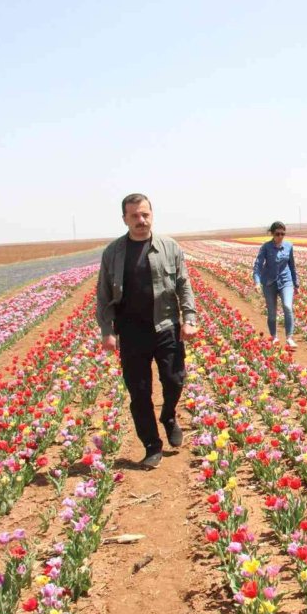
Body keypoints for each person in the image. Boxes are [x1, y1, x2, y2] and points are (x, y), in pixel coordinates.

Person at [96, 193, 198, 468]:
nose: (141, 220)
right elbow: (104, 295)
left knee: (175, 379)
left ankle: (168, 415)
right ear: (125, 219)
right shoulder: (114, 253)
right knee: (139, 392)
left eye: (145, 214)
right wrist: (107, 331)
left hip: (166, 326)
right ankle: (152, 445)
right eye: (134, 216)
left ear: (151, 214)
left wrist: (189, 317)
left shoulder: (170, 247)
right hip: (131, 332)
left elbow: (183, 284)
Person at [253, 221, 300, 348]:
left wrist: (296, 284)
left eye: (282, 234)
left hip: (286, 281)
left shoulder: (289, 246)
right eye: (278, 234)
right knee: (272, 312)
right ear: (272, 234)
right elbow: (258, 265)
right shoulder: (266, 247)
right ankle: (274, 337)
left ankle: (289, 337)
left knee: (287, 307)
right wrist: (257, 282)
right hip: (269, 283)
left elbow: (292, 266)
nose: (280, 236)